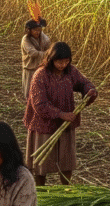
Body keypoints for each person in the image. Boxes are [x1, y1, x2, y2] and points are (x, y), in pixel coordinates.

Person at [23, 41, 97, 186]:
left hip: (65, 124)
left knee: (66, 161)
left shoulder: (70, 71)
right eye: (59, 62)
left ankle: (66, 190)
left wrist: (89, 91)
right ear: (51, 59)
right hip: (43, 124)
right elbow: (39, 104)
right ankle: (41, 191)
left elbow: (84, 83)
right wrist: (61, 114)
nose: (63, 65)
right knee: (41, 164)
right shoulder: (40, 75)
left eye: (66, 61)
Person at [20, 17, 50, 100]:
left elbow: (49, 48)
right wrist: (47, 54)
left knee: (41, 92)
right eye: (35, 30)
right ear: (29, 30)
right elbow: (33, 53)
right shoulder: (25, 40)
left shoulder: (44, 38)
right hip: (30, 68)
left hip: (41, 68)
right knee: (29, 92)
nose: (37, 32)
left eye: (39, 30)